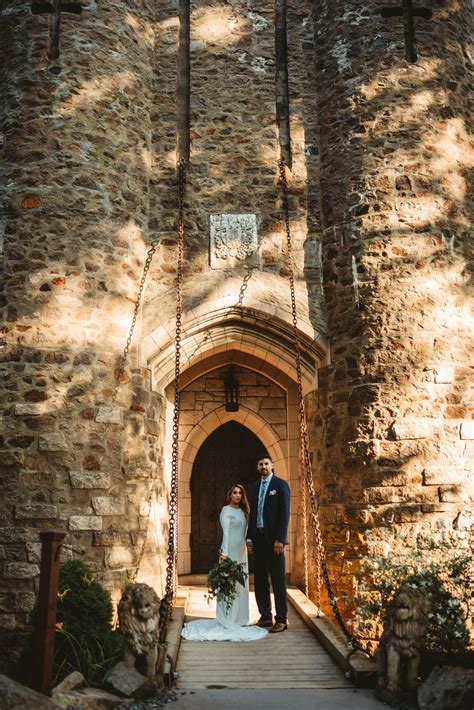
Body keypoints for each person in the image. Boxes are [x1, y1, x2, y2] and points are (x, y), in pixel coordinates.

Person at [181, 484, 268, 642]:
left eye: (240, 493)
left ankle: (240, 618)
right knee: (228, 584)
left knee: (241, 583)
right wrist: (225, 553)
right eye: (234, 493)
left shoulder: (243, 512)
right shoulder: (225, 510)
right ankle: (226, 617)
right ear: (230, 495)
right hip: (229, 551)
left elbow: (246, 531)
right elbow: (226, 533)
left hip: (241, 551)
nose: (237, 495)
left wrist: (248, 543)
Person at [246, 455, 290, 633]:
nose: (263, 466)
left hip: (274, 541)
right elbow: (253, 513)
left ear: (272, 466)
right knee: (260, 579)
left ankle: (281, 619)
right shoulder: (255, 487)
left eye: (266, 464)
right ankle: (265, 616)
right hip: (258, 539)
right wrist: (249, 537)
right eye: (260, 464)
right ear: (257, 467)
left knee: (278, 579)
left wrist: (280, 539)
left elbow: (284, 513)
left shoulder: (280, 485)